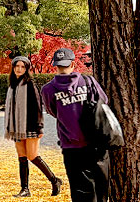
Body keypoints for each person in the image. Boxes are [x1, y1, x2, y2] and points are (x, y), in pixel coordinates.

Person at [41, 48, 111, 202]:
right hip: (97, 145)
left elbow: (53, 112)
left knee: (81, 195)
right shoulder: (89, 81)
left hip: (72, 149)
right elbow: (103, 102)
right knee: (101, 194)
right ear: (73, 64)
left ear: (56, 65)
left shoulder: (48, 90)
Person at [5, 56, 62, 197]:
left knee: (32, 155)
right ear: (13, 68)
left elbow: (37, 107)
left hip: (30, 126)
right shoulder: (12, 86)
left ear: (26, 69)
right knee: (22, 157)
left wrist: (39, 127)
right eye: (17, 66)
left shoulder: (30, 85)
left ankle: (55, 180)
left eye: (22, 67)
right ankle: (25, 189)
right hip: (16, 127)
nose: (19, 69)